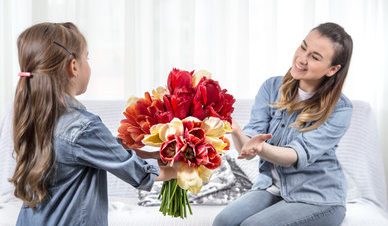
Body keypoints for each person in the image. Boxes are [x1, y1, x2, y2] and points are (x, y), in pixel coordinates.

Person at [9, 22, 176, 225]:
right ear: (74, 67)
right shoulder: (83, 127)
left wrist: (152, 155)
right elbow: (139, 174)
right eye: (86, 58)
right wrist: (183, 171)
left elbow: (107, 150)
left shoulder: (34, 117)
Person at [213, 22, 353, 226]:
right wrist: (235, 130)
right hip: (271, 187)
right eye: (303, 47)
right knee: (224, 221)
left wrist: (261, 147)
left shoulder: (340, 108)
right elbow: (247, 146)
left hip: (318, 197)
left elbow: (293, 156)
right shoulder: (271, 87)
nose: (302, 59)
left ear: (332, 69)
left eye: (315, 57)